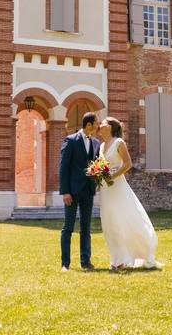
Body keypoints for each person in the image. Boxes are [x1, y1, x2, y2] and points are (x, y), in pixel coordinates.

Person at [96, 117, 161, 270]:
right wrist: (98, 175)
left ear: (110, 127)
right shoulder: (101, 146)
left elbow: (128, 164)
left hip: (117, 186)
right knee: (109, 221)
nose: (100, 125)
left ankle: (126, 258)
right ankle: (116, 258)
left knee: (121, 218)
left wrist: (113, 176)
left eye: (103, 123)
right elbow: (101, 165)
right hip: (106, 189)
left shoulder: (119, 143)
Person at [58, 112, 100, 271]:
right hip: (72, 191)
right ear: (89, 124)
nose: (98, 126)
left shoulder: (96, 143)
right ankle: (65, 264)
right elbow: (63, 168)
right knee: (68, 227)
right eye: (96, 123)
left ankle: (85, 261)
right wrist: (65, 191)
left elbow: (95, 165)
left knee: (86, 228)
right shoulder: (71, 140)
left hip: (88, 191)